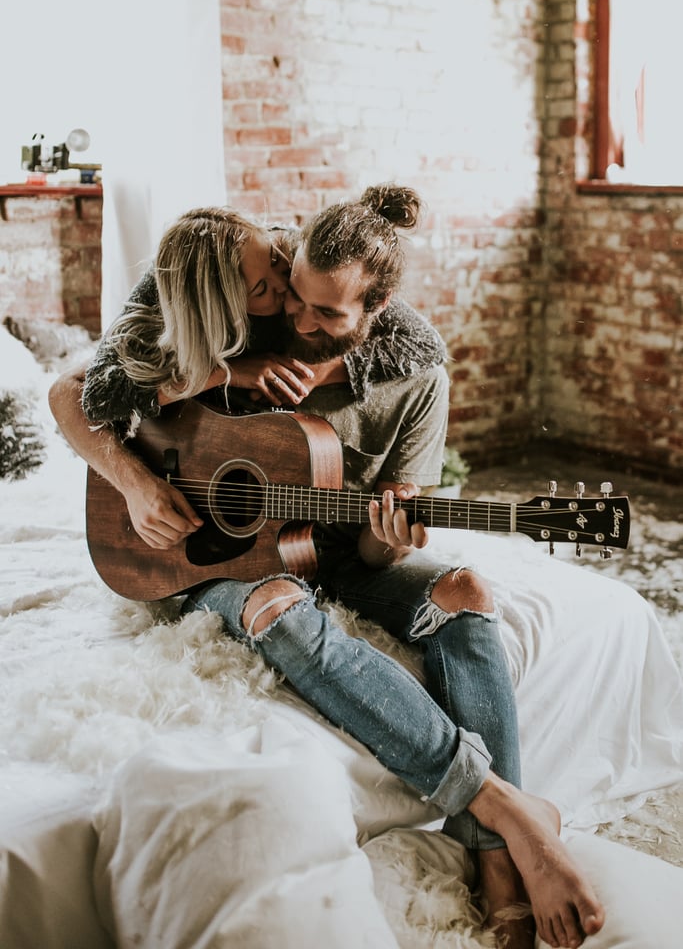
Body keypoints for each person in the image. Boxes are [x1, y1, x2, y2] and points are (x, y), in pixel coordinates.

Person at [49, 188, 604, 949]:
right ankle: (508, 813)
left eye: (326, 317)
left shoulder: (415, 378)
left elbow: (374, 554)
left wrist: (389, 541)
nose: (297, 322)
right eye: (294, 301)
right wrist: (139, 480)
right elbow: (81, 388)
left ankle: (492, 861)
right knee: (277, 602)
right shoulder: (245, 293)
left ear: (376, 314)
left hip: (331, 551)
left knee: (466, 591)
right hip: (222, 561)